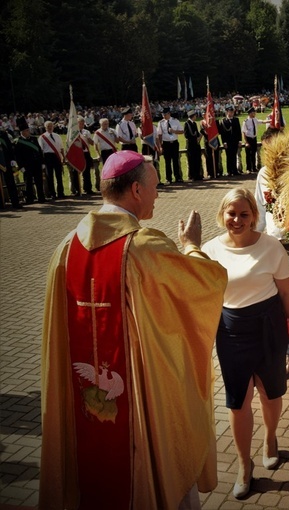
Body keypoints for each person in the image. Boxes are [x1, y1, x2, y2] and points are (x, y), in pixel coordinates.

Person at [40, 150, 227, 509]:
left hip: (86, 411)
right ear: (137, 191)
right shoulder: (144, 248)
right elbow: (205, 286)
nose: (159, 194)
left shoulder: (65, 249)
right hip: (139, 409)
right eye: (155, 187)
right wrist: (191, 247)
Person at [202, 188, 289, 499]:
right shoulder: (210, 250)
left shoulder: (271, 247)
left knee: (271, 393)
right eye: (232, 213)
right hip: (231, 330)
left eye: (244, 214)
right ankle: (244, 466)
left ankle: (270, 438)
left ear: (254, 217)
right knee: (238, 401)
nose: (237, 220)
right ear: (222, 215)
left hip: (269, 327)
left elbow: (287, 293)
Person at [13, 117, 46, 204]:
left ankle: (41, 197)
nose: (28, 132)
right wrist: (21, 167)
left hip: (37, 164)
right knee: (28, 183)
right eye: (27, 130)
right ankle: (30, 199)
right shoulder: (18, 142)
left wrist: (42, 162)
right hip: (27, 166)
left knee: (39, 182)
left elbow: (39, 151)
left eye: (28, 130)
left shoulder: (34, 139)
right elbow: (18, 156)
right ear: (23, 132)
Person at [39, 121, 66, 198]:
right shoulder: (42, 137)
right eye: (48, 126)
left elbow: (61, 148)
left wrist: (63, 157)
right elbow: (41, 150)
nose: (50, 127)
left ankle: (61, 193)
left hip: (57, 157)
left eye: (51, 126)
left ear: (53, 127)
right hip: (48, 157)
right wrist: (42, 161)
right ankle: (52, 193)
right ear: (45, 127)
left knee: (59, 176)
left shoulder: (57, 136)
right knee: (50, 176)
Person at [158, 107, 183, 184]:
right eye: (163, 115)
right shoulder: (161, 123)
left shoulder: (175, 121)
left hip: (174, 143)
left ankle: (177, 177)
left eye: (165, 114)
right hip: (166, 144)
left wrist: (174, 131)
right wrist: (160, 145)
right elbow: (159, 134)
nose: (164, 116)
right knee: (167, 162)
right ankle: (169, 178)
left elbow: (182, 131)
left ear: (169, 114)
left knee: (175, 161)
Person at [0, 126, 22, 209]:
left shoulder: (3, 134)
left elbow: (9, 147)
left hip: (6, 161)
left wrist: (12, 159)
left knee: (11, 183)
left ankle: (15, 202)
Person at [75, 116, 97, 195]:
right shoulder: (73, 133)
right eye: (80, 123)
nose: (82, 125)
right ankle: (77, 190)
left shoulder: (86, 132)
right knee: (77, 172)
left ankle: (88, 188)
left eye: (83, 123)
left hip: (86, 153)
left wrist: (89, 139)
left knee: (87, 171)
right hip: (77, 153)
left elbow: (92, 143)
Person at [242, 107, 266, 173]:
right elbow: (243, 132)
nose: (255, 113)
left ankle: (254, 168)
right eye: (253, 112)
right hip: (248, 138)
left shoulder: (255, 119)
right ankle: (248, 168)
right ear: (250, 113)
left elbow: (261, 122)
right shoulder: (246, 121)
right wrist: (246, 142)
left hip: (254, 138)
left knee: (253, 153)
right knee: (248, 155)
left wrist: (269, 121)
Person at [220, 106, 242, 176]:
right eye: (230, 112)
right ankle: (229, 171)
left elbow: (238, 131)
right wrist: (224, 142)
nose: (232, 113)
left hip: (235, 141)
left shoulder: (236, 120)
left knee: (234, 155)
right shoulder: (223, 121)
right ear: (227, 112)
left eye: (232, 112)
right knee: (229, 156)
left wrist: (239, 141)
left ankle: (235, 170)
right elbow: (223, 133)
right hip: (228, 142)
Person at [184, 110, 203, 181]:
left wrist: (201, 133)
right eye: (195, 115)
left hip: (196, 145)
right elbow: (186, 135)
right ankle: (192, 175)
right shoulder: (187, 124)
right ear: (192, 116)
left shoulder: (194, 123)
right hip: (191, 145)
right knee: (191, 161)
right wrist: (195, 137)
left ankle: (198, 174)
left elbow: (196, 133)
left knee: (197, 160)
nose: (196, 117)